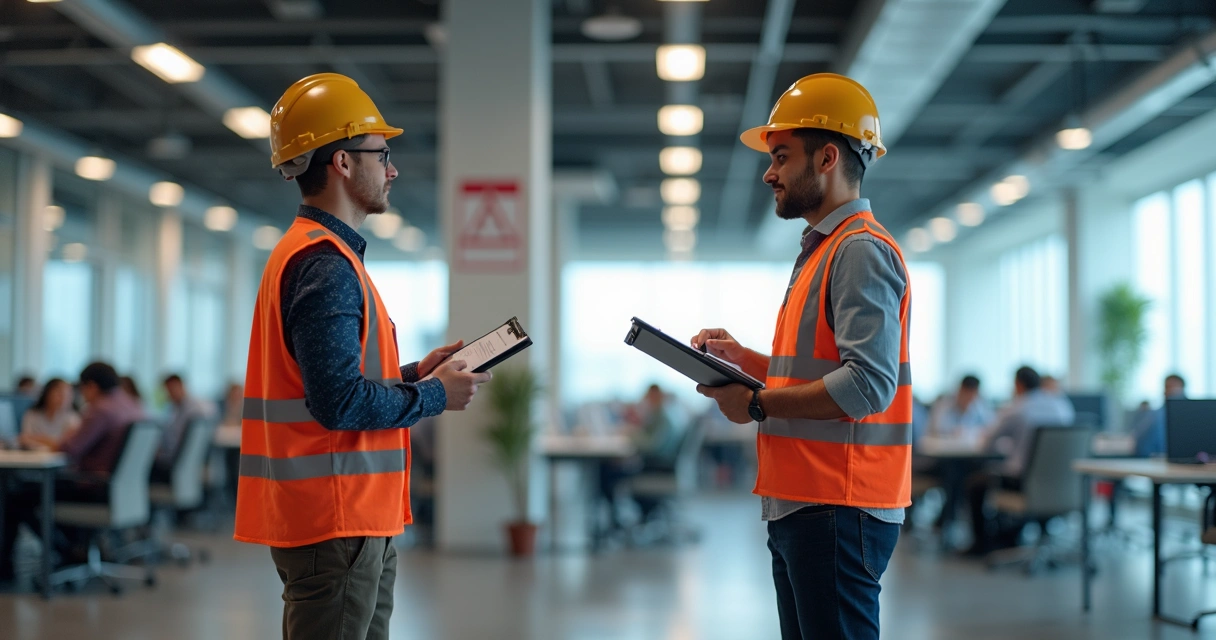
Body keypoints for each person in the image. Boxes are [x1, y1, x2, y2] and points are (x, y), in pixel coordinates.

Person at [236, 73, 490, 640]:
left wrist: (414, 374)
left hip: (347, 517)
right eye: (383, 154)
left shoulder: (318, 255)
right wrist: (434, 395)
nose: (393, 169)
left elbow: (333, 384)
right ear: (343, 163)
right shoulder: (325, 265)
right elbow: (337, 402)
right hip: (335, 519)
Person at [692, 73, 911, 640]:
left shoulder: (859, 250)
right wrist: (744, 360)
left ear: (828, 157)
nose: (769, 172)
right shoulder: (825, 250)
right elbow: (815, 370)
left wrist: (758, 405)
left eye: (782, 156)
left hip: (838, 505)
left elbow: (867, 386)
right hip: (808, 502)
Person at [1, 362, 146, 579]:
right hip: (121, 490)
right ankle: (72, 549)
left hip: (94, 487)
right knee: (36, 490)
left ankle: (59, 553)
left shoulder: (101, 409)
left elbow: (70, 449)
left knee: (17, 496)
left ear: (92, 386)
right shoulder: (132, 405)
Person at [966, 366, 1075, 555]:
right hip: (1062, 484)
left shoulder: (1017, 408)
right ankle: (1014, 534)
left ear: (1018, 384)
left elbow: (987, 444)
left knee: (975, 483)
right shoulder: (1061, 405)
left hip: (1025, 482)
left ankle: (982, 545)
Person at [152, 374, 217, 477]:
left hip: (175, 464)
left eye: (170, 390)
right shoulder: (175, 410)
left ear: (181, 386)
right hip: (184, 464)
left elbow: (174, 441)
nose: (169, 394)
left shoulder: (192, 411)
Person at [19, 377, 81, 450]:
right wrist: (53, 443)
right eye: (59, 393)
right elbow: (24, 439)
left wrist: (37, 439)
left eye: (68, 394)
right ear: (47, 393)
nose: (64, 397)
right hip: (33, 457)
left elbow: (65, 444)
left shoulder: (73, 417)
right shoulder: (32, 414)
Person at [1133, 373, 1186, 457]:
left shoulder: (1191, 415)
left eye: (1174, 387)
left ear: (1182, 389)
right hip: (1155, 459)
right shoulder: (1156, 416)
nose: (1170, 391)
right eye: (1167, 387)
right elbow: (1140, 441)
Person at [926, 375, 993, 440]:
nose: (969, 399)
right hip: (945, 448)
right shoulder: (943, 405)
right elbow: (936, 429)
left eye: (972, 396)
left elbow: (989, 429)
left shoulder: (979, 408)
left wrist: (967, 432)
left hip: (970, 449)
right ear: (960, 390)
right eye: (966, 394)